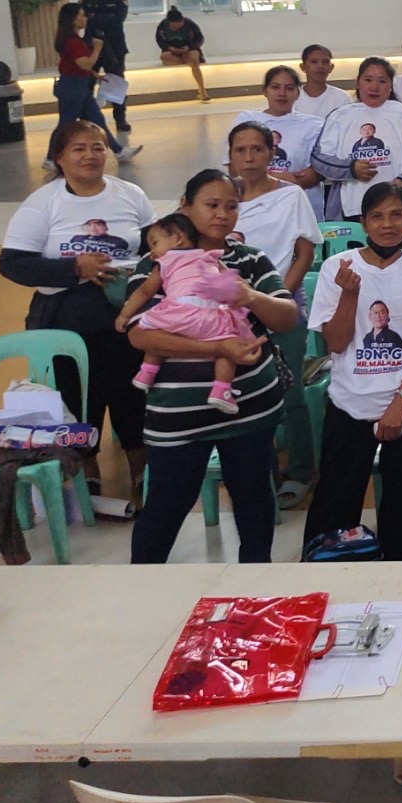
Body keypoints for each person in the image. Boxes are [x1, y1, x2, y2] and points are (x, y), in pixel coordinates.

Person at [127, 170, 297, 563]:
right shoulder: (158, 262)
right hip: (178, 415)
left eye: (231, 206)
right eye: (212, 205)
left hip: (250, 409)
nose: (222, 214)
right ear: (185, 207)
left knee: (254, 502)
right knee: (165, 508)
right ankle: (139, 588)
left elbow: (287, 317)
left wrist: (248, 296)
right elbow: (140, 336)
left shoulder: (248, 258)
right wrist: (220, 346)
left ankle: (254, 585)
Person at [0, 121, 154, 504]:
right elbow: (12, 263)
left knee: (132, 390)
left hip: (126, 315)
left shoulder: (130, 195)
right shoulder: (43, 203)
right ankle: (87, 469)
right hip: (64, 319)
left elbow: (155, 248)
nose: (90, 156)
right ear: (59, 158)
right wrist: (74, 269)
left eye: (97, 147)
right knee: (78, 395)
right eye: (79, 149)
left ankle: (141, 467)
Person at [302, 179, 402, 561]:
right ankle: (325, 573)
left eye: (396, 215)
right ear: (363, 223)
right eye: (377, 216)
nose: (387, 224)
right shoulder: (338, 267)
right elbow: (335, 343)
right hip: (350, 403)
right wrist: (350, 294)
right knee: (335, 501)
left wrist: (401, 402)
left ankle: (395, 573)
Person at [225, 120, 319, 506]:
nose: (249, 157)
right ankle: (261, 471)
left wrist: (279, 297)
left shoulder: (290, 195)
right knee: (244, 394)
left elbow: (304, 253)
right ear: (230, 156)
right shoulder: (222, 200)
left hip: (282, 306)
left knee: (289, 391)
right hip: (231, 314)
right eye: (240, 150)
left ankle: (301, 470)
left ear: (271, 153)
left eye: (257, 149)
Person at [116, 214, 255, 415]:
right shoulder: (210, 257)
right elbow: (235, 283)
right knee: (228, 347)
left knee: (155, 331)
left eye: (155, 243)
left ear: (179, 238)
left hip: (180, 312)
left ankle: (147, 372)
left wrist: (124, 315)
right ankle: (222, 390)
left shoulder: (166, 261)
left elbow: (145, 291)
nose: (152, 251)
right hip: (213, 315)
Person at [312, 57, 402, 240]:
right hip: (352, 211)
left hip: (400, 207)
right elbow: (319, 159)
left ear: (390, 86)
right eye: (368, 80)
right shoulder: (340, 116)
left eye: (382, 81)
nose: (374, 87)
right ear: (358, 83)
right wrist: (351, 168)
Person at [48, 3, 140, 166]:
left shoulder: (73, 40)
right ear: (73, 19)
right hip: (72, 87)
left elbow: (76, 65)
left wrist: (94, 75)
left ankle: (119, 151)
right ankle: (50, 158)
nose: (85, 18)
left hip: (79, 85)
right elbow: (85, 63)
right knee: (65, 125)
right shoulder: (73, 42)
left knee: (97, 121)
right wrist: (97, 49)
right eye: (81, 15)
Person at [232, 66, 322, 193]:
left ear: (298, 93)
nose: (282, 93)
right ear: (265, 90)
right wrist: (284, 178)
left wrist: (262, 176)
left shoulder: (314, 125)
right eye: (275, 87)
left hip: (300, 199)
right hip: (256, 199)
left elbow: (318, 173)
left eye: (289, 88)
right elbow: (234, 169)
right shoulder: (246, 120)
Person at [79, 0, 131, 133]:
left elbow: (117, 21)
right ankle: (86, 119)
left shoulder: (120, 0)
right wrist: (104, 18)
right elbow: (84, 20)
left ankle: (120, 119)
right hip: (91, 47)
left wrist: (95, 18)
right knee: (87, 83)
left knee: (116, 84)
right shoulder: (85, 0)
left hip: (114, 48)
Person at [155, 7, 209, 103]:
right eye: (174, 27)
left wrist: (189, 47)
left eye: (179, 25)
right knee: (164, 57)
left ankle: (202, 90)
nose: (176, 28)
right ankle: (186, 60)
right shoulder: (162, 27)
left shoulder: (190, 24)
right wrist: (169, 48)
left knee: (194, 59)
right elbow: (160, 41)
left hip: (190, 50)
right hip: (173, 52)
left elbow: (200, 39)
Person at [293, 44, 351, 121]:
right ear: (303, 67)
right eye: (314, 62)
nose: (320, 66)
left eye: (325, 62)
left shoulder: (342, 98)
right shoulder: (292, 97)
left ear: (331, 67)